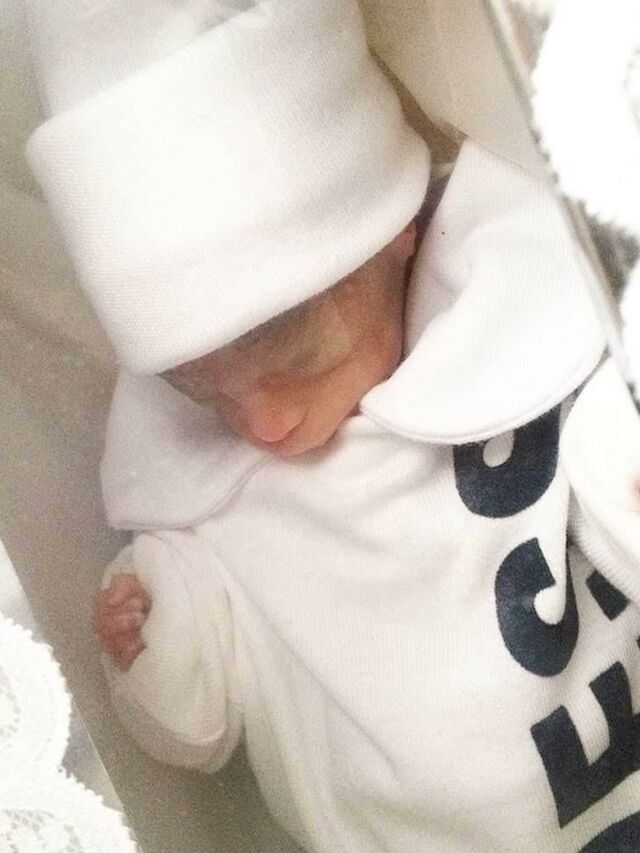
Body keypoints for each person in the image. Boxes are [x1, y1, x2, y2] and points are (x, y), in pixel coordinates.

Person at [26, 0, 640, 850]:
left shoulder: (526, 313)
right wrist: (153, 643)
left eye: (294, 357)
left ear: (395, 234)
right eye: (205, 393)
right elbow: (200, 726)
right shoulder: (205, 496)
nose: (263, 424)